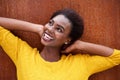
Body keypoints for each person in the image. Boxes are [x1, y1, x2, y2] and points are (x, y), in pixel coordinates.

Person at [0, 9, 120, 80]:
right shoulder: (23, 54)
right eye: (51, 23)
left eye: (59, 29)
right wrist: (37, 28)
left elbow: (117, 57)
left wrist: (79, 45)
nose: (51, 29)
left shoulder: (80, 64)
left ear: (68, 39)